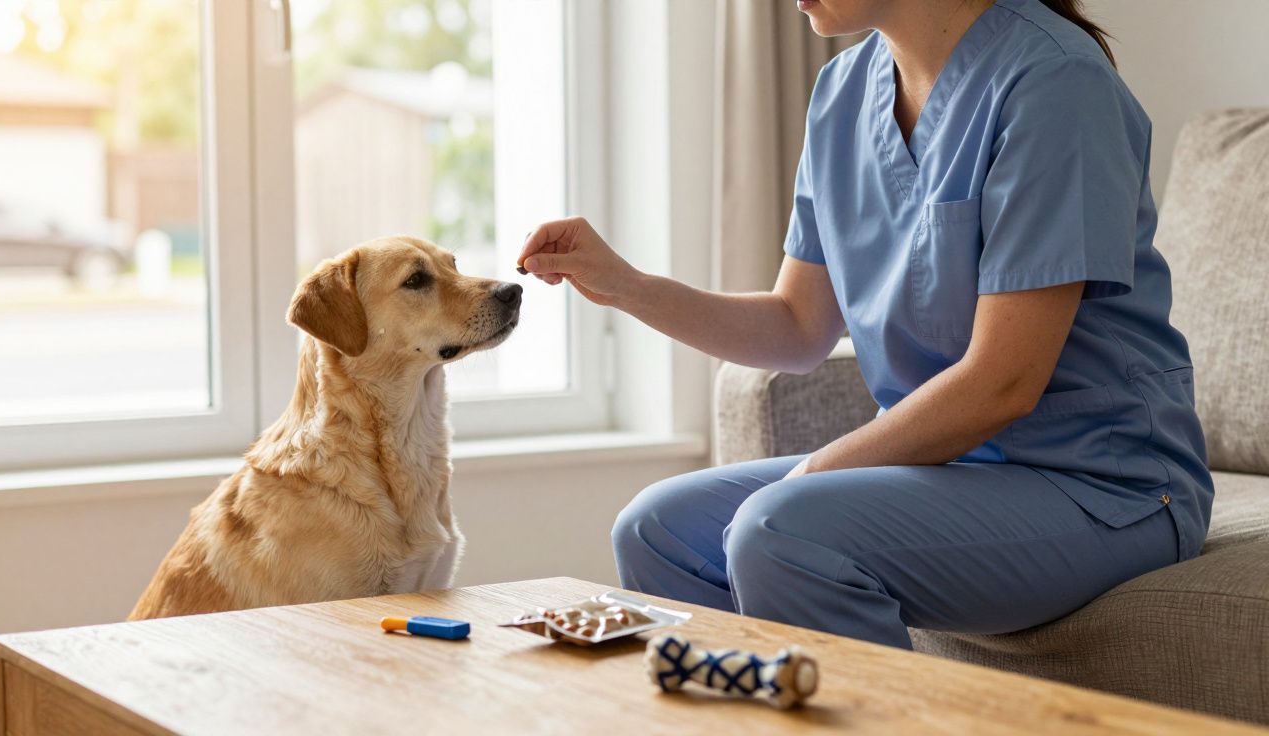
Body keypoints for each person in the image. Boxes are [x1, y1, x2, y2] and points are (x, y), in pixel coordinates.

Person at [515, 0, 1212, 649]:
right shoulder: (844, 91)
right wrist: (627, 286)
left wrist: (809, 478)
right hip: (945, 472)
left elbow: (1005, 382)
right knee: (657, 527)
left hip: (1102, 484)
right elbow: (796, 328)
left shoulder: (1057, 84)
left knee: (778, 529)